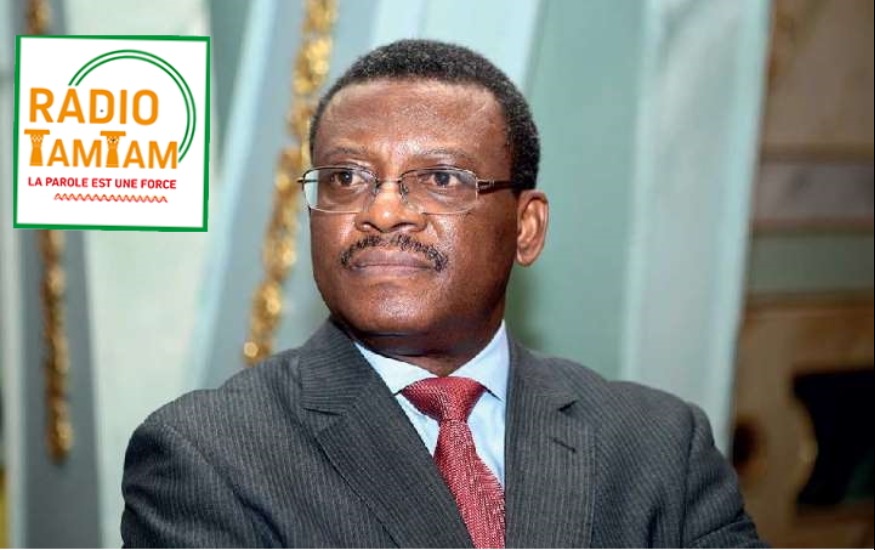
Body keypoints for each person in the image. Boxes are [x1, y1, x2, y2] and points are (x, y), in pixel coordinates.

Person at [121, 39, 765, 548]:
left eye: (441, 179)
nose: (383, 212)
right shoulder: (206, 455)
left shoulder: (658, 443)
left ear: (526, 227)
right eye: (346, 178)